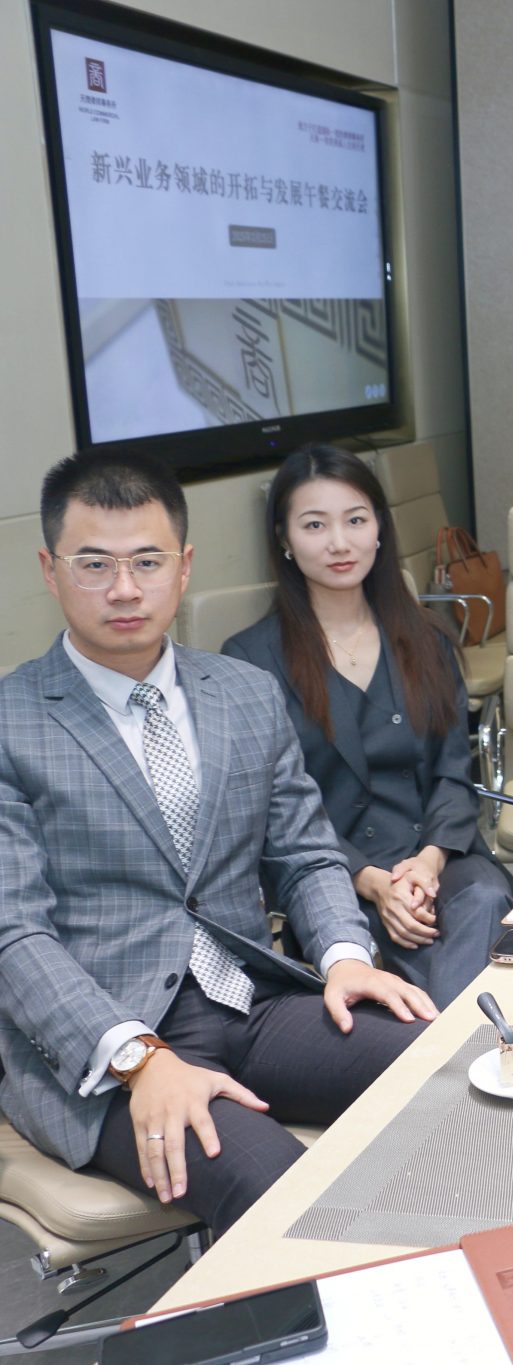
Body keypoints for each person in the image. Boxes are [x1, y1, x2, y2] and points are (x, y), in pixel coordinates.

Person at [0, 451, 435, 1235]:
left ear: (185, 566)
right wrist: (139, 1057)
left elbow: (305, 852)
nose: (124, 588)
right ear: (49, 570)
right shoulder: (12, 720)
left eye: (147, 561)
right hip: (108, 1042)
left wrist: (346, 957)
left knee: (447, 1071)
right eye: (94, 564)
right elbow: (13, 932)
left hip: (250, 998)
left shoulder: (243, 692)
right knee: (281, 1191)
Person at [224, 445, 513, 1009]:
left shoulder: (427, 637)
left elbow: (455, 775)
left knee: (482, 899)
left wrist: (426, 863)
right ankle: (460, 1044)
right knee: (436, 955)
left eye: (356, 520)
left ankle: (444, 1044)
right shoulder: (251, 661)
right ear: (284, 539)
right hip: (331, 879)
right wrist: (373, 881)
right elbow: (272, 812)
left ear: (379, 528)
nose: (340, 542)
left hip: (437, 861)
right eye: (315, 525)